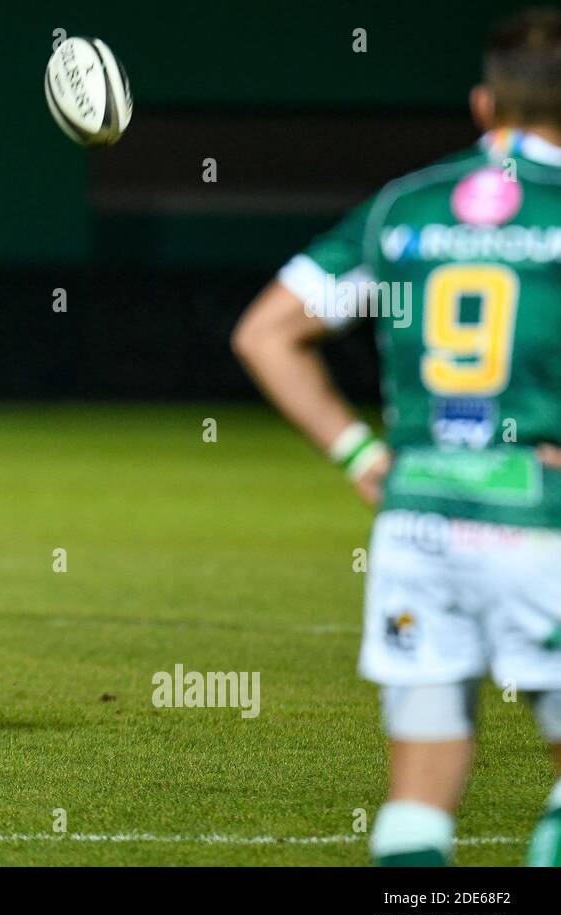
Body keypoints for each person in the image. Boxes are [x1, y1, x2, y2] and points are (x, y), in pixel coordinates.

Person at [232, 8, 561, 865]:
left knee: (417, 806)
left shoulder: (402, 206)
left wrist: (361, 453)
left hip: (418, 522)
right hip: (542, 518)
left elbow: (266, 333)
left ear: (485, 105)